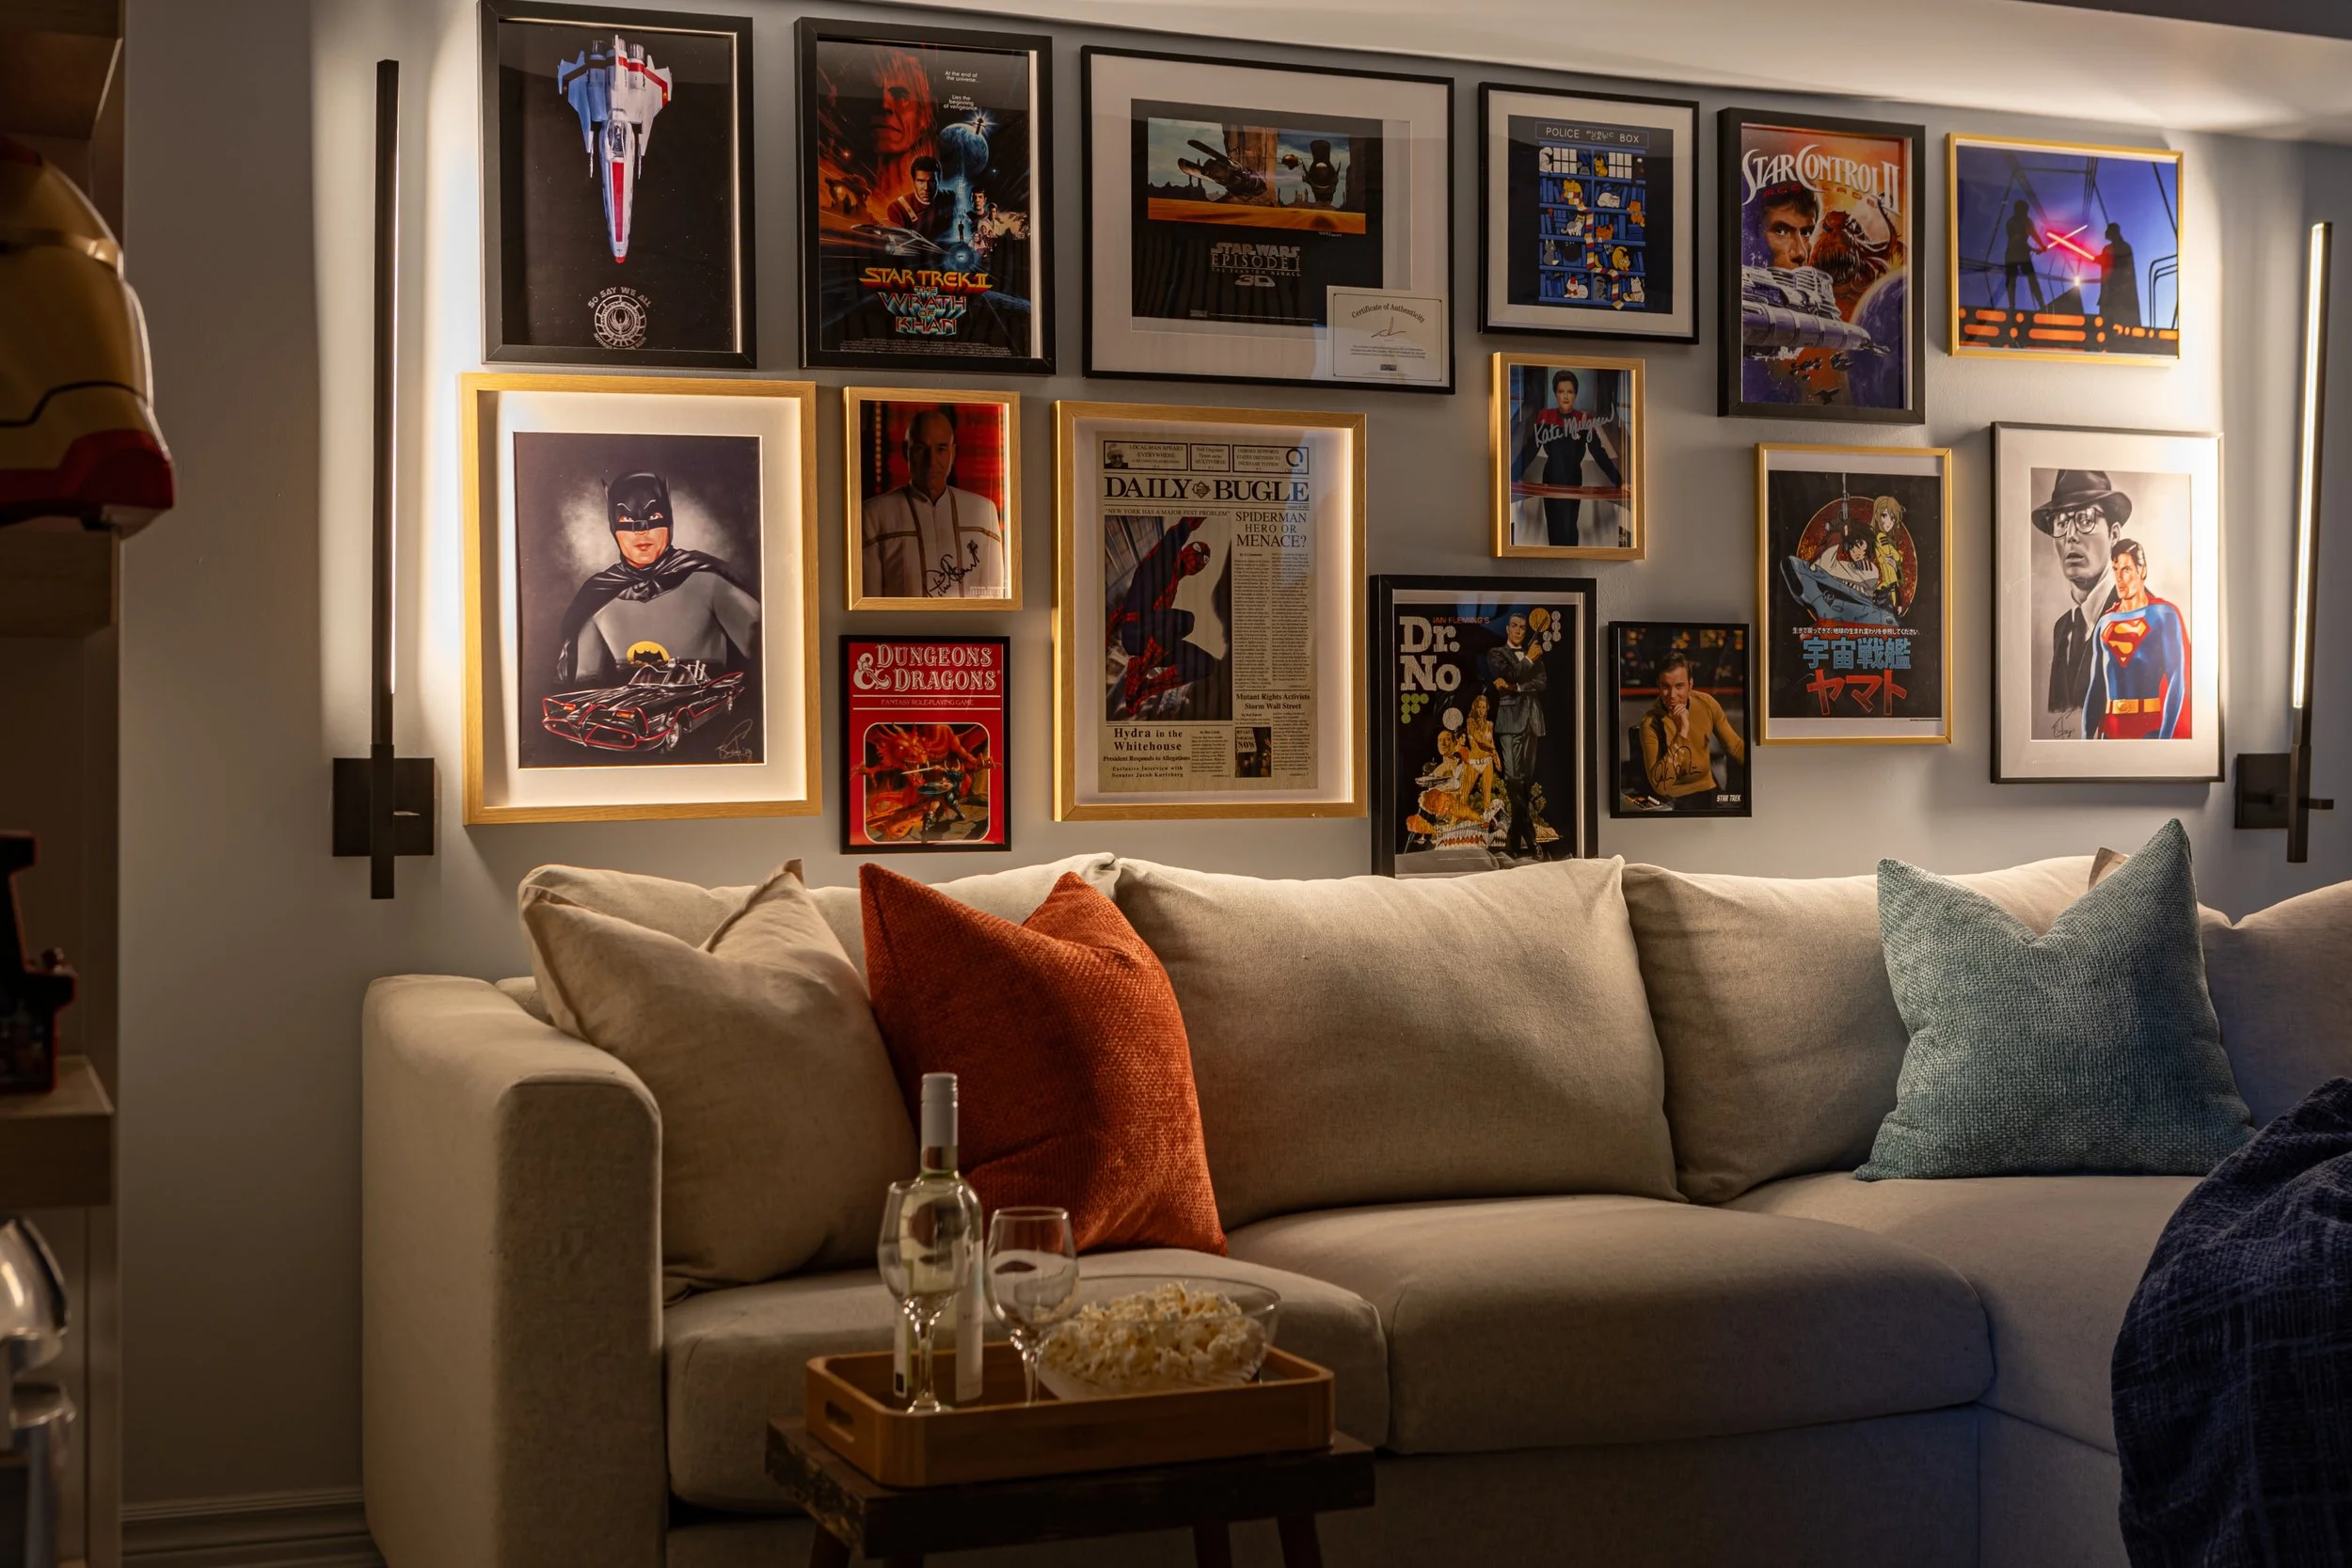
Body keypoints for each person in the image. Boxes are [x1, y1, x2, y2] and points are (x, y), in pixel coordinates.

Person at [552, 471, 758, 687]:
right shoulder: (597, 597)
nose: (642, 532)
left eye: (653, 518)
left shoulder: (710, 581)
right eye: (627, 521)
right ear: (614, 527)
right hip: (633, 716)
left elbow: (772, 653)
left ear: (668, 521)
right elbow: (582, 688)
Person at [860, 408, 1007, 599]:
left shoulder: (983, 512)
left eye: (941, 449)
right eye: (921, 448)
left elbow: (994, 601)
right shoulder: (874, 516)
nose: (932, 461)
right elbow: (868, 608)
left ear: (953, 453)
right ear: (906, 452)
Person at [2034, 468, 2131, 738]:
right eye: (2060, 523)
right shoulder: (2063, 628)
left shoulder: (2137, 618)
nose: (2070, 535)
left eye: (2085, 519)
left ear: (2114, 535)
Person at [1106, 517, 1221, 719]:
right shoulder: (1165, 560)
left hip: (1150, 639)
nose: (1200, 559)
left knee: (1204, 663)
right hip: (1137, 631)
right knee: (1184, 621)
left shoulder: (1174, 579)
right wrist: (1196, 517)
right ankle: (1139, 673)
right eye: (1197, 551)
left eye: (1203, 560)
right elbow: (1175, 536)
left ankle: (1142, 690)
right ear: (1186, 552)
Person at [2085, 538, 2191, 740]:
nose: (2119, 578)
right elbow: (2095, 687)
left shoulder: (2163, 615)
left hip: (2148, 731)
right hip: (2110, 734)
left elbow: (2176, 679)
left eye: (2126, 569)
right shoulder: (2104, 622)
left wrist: (2164, 740)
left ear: (2142, 570)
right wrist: (2084, 744)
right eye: (2115, 569)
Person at [1514, 368, 1625, 547]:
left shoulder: (1584, 419)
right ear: (1555, 394)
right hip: (1550, 479)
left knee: (1570, 528)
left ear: (1575, 394)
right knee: (1554, 529)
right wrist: (1510, 475)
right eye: (1561, 392)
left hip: (1574, 481)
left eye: (1570, 392)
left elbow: (1599, 453)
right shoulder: (1545, 417)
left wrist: (1620, 481)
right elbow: (1529, 450)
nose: (1565, 396)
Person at [1640, 653, 1746, 808]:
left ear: (1690, 684)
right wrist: (1681, 732)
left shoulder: (1707, 703)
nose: (1672, 696)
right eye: (1666, 687)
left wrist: (1763, 771)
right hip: (1673, 799)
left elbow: (1736, 747)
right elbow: (1661, 786)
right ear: (1659, 685)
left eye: (1679, 686)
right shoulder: (1650, 723)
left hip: (1708, 790)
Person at [1484, 613, 1549, 859]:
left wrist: (1518, 688)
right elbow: (1509, 674)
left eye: (1523, 627)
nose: (1519, 631)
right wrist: (1528, 662)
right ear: (1508, 629)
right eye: (1515, 626)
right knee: (1514, 781)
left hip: (1533, 722)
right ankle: (1532, 842)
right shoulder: (1496, 654)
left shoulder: (1533, 652)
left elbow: (1541, 683)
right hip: (1510, 723)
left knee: (1525, 782)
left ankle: (1512, 843)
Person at [1783, 519, 1898, 627]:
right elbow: (1820, 565)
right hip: (1839, 614)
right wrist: (1834, 536)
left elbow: (1827, 567)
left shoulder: (1870, 569)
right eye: (1851, 546)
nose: (1855, 551)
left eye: (1860, 543)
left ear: (1868, 542)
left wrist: (1837, 535)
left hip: (1863, 615)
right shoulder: (1848, 566)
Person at [884, 155, 950, 241]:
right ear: (913, 181)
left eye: (931, 182)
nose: (926, 188)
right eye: (921, 181)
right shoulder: (898, 209)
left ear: (939, 181)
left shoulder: (950, 197)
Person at [2002, 198, 2047, 313]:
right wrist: (2035, 248)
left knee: (2031, 279)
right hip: (2013, 255)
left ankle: (2041, 304)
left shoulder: (2027, 222)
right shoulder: (2011, 223)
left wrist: (2042, 246)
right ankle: (2012, 305)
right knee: (2012, 280)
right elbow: (2017, 241)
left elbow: (2033, 234)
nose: (2024, 214)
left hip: (2021, 255)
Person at [2097, 222, 2141, 328]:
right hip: (2111, 294)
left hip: (2121, 295)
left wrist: (2104, 260)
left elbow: (2121, 264)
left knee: (2120, 322)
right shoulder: (2112, 248)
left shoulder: (2123, 248)